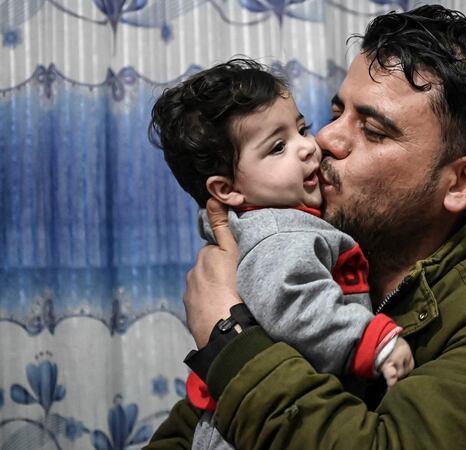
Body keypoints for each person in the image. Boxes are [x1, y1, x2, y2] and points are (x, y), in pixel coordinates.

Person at [148, 5, 466, 449]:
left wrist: (227, 337)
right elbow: (192, 431)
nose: (324, 140)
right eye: (335, 113)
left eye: (373, 130)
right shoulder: (314, 255)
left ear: (461, 181)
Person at [148, 59, 415, 449]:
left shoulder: (267, 225)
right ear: (227, 190)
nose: (310, 146)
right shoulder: (279, 233)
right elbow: (292, 304)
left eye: (301, 128)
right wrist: (375, 342)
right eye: (278, 147)